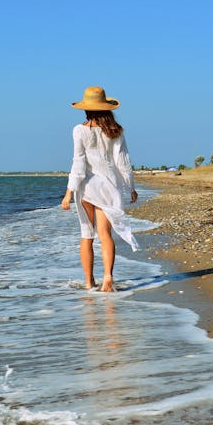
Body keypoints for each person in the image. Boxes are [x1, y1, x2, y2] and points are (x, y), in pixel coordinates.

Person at [61, 86, 139, 293]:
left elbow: (78, 163)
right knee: (105, 235)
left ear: (86, 109)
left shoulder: (79, 130)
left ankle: (88, 283)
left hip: (87, 187)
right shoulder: (116, 131)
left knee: (87, 236)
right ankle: (108, 278)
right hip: (109, 186)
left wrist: (69, 192)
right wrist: (131, 187)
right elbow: (123, 161)